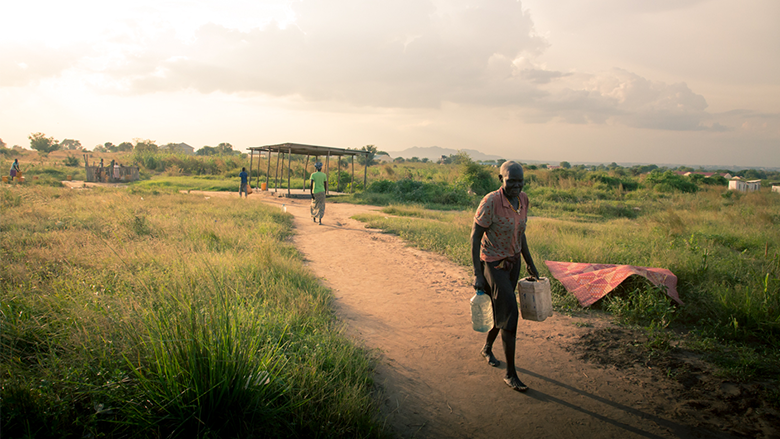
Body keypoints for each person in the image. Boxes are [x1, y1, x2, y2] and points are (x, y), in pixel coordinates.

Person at [471, 161, 540, 392]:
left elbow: (521, 234)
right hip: (493, 264)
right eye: (511, 181)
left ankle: (487, 348)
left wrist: (529, 262)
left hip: (514, 262)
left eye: (520, 181)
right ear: (500, 179)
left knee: (499, 310)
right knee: (510, 315)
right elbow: (475, 237)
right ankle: (511, 374)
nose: (516, 185)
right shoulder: (490, 201)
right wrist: (478, 274)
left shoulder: (523, 200)